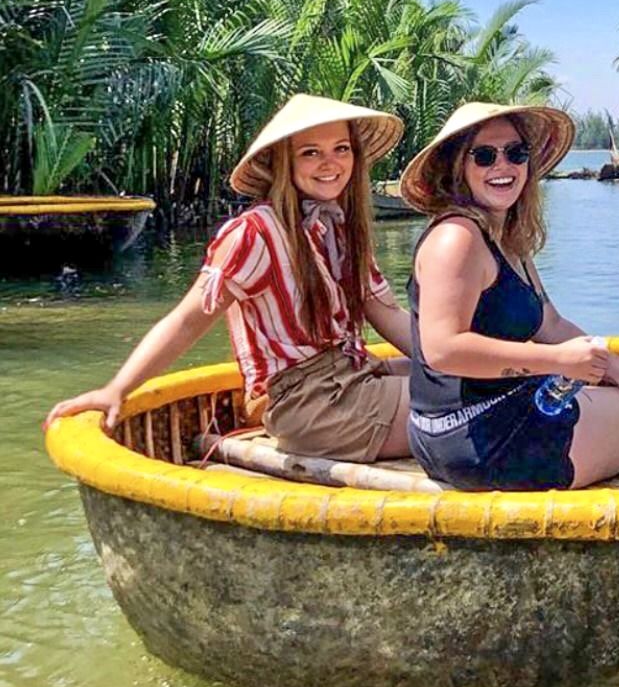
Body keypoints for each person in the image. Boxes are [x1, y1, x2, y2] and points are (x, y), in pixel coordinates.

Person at [45, 95, 415, 462]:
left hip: (351, 372)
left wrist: (449, 357)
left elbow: (386, 312)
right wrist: (117, 389)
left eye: (341, 148)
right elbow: (187, 321)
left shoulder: (337, 228)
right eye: (310, 153)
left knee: (459, 380)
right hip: (311, 403)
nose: (330, 163)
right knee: (463, 399)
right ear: (283, 163)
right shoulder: (253, 234)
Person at [401, 101, 619, 490]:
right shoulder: (457, 238)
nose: (502, 166)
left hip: (492, 421)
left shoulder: (506, 239)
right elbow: (443, 349)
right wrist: (557, 361)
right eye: (485, 156)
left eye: (516, 153)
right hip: (475, 437)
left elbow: (550, 323)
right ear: (458, 167)